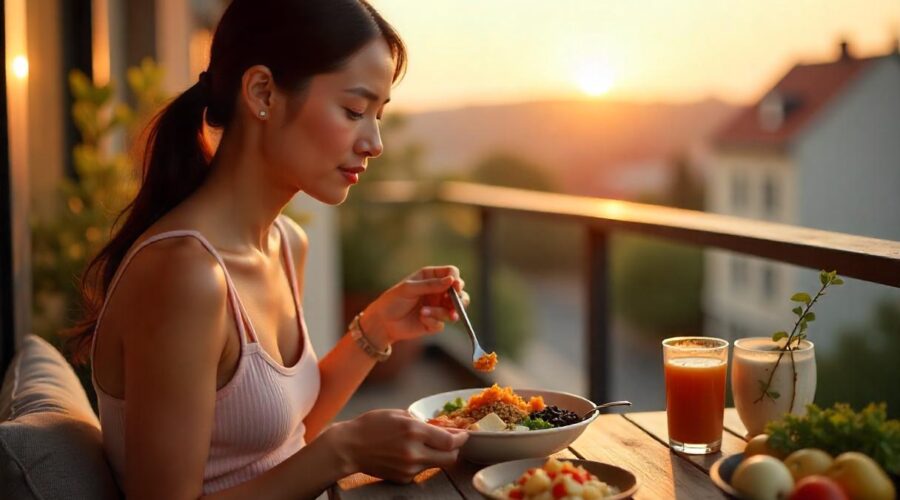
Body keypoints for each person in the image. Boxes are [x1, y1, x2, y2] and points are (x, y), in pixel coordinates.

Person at [65, 0, 470, 498]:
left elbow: (281, 437)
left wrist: (378, 327)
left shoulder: (284, 243)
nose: (375, 142)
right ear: (262, 92)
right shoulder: (185, 275)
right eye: (354, 111)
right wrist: (343, 451)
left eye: (379, 116)